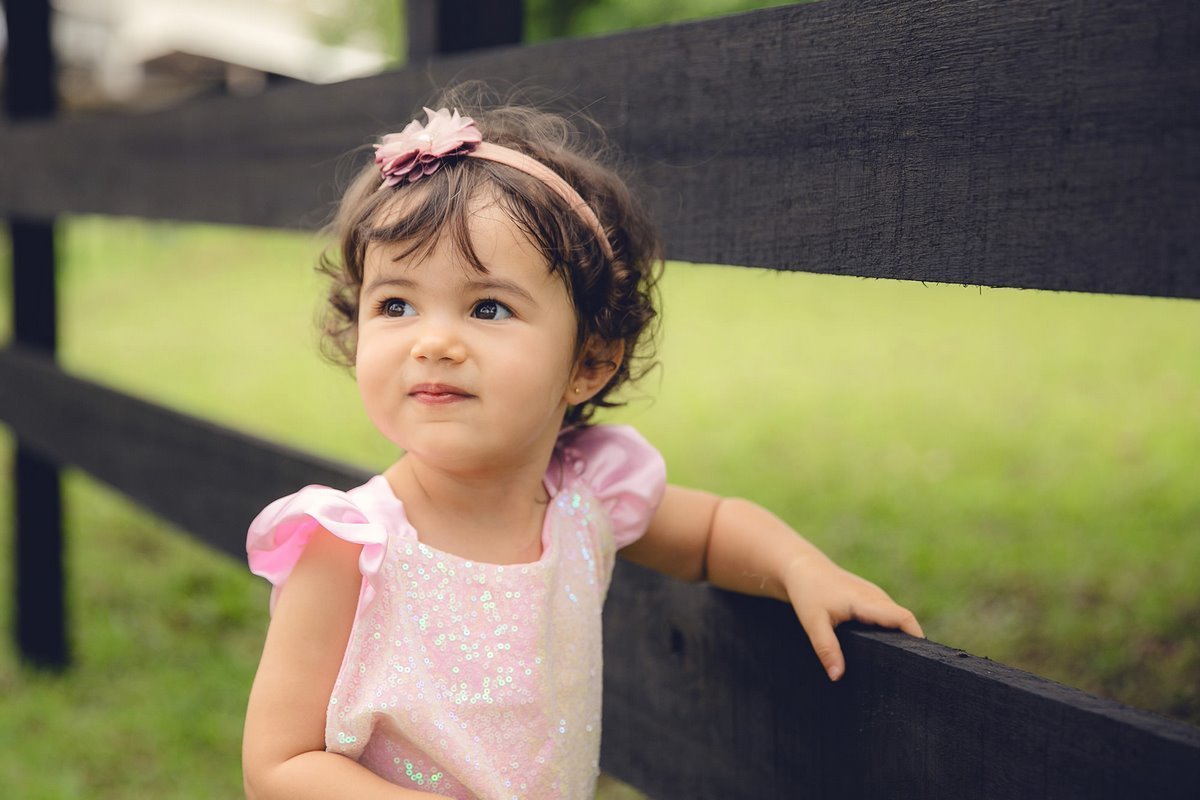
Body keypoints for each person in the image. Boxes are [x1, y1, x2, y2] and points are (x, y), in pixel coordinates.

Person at [241, 87, 923, 800]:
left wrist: (799, 568)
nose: (433, 342)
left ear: (590, 360)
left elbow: (712, 531)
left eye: (488, 307)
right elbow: (278, 767)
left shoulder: (585, 497)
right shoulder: (347, 546)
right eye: (396, 304)